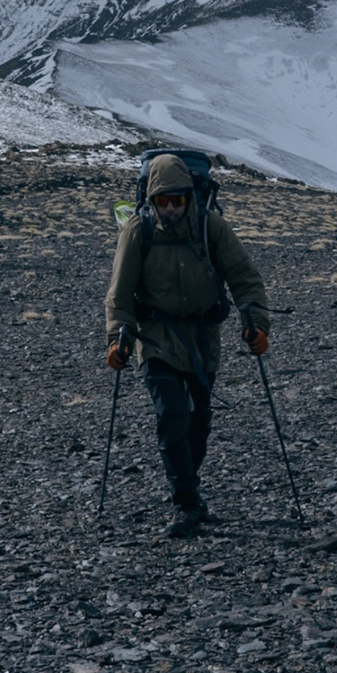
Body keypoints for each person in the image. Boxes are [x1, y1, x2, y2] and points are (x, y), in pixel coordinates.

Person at [104, 153, 271, 537]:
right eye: (163, 201)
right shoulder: (137, 231)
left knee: (199, 420)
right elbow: (119, 295)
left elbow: (245, 279)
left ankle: (188, 489)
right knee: (171, 414)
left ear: (189, 197)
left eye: (177, 200)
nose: (171, 208)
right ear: (152, 199)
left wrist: (257, 324)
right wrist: (117, 339)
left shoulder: (212, 226)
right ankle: (186, 503)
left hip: (201, 337)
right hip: (155, 337)